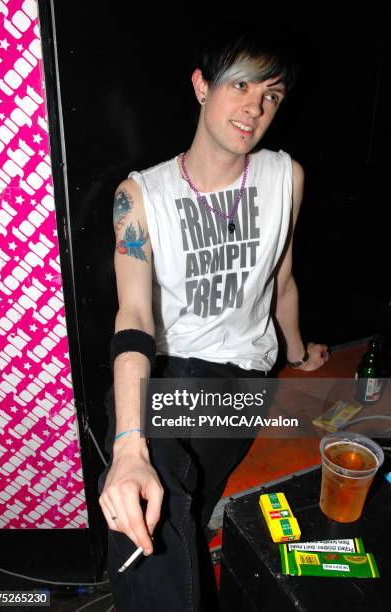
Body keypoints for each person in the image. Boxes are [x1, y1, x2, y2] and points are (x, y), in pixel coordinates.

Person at [98, 24, 329, 611]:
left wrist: (300, 355)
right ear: (202, 86)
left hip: (238, 379)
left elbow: (282, 279)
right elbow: (133, 314)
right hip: (166, 370)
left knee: (165, 483)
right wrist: (128, 446)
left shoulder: (286, 177)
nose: (254, 108)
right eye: (242, 85)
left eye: (271, 96)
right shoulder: (140, 197)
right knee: (143, 462)